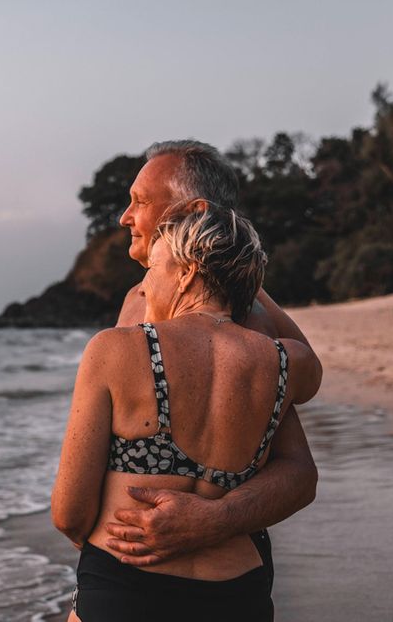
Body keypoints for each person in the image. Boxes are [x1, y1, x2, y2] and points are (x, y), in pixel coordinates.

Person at [51, 207, 322, 620]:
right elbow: (312, 380)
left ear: (187, 272)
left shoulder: (114, 349)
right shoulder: (288, 362)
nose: (144, 285)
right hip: (236, 590)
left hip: (127, 579)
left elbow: (70, 512)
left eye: (153, 267)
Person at [100, 141, 319, 570]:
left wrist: (214, 519)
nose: (125, 217)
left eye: (140, 202)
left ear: (195, 212)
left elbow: (299, 472)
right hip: (121, 571)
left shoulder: (242, 319)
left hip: (209, 579)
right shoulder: (133, 300)